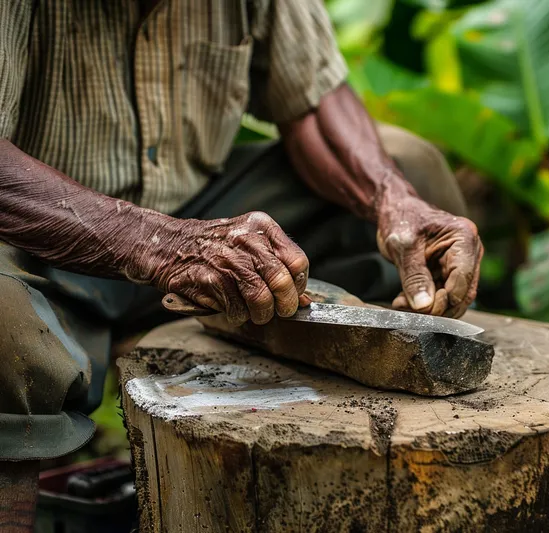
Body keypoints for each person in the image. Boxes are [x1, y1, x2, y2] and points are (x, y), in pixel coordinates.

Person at [0, 0, 483, 522]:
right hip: (34, 238)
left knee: (412, 166)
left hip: (196, 210)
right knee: (7, 331)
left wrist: (393, 201)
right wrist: (160, 243)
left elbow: (314, 105)